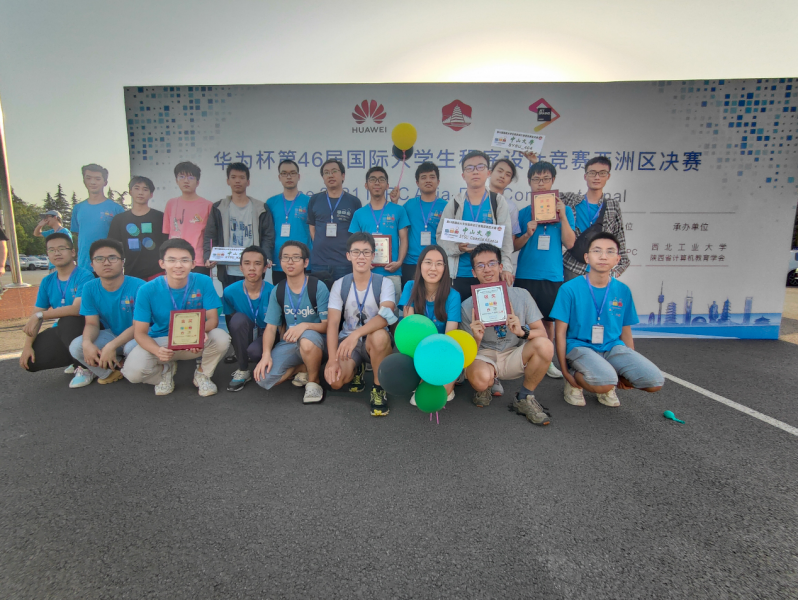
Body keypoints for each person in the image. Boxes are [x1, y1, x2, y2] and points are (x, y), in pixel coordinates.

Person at [550, 232, 664, 407]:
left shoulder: (623, 290)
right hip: (580, 346)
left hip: (612, 347)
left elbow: (625, 331)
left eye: (610, 251)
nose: (603, 256)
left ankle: (607, 379)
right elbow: (560, 333)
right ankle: (578, 380)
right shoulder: (569, 289)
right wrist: (565, 371)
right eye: (597, 251)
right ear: (587, 257)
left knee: (654, 381)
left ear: (617, 259)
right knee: (604, 382)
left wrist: (626, 367)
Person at [459, 243, 553, 426]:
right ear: (473, 272)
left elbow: (542, 332)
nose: (487, 269)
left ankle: (525, 397)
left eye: (492, 263)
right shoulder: (467, 305)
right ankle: (486, 385)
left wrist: (522, 332)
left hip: (512, 352)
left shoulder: (521, 295)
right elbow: (466, 354)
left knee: (545, 345)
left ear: (501, 267)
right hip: (484, 355)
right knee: (480, 380)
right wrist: (476, 338)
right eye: (480, 265)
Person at [122, 239, 231, 396]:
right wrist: (157, 350)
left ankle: (203, 374)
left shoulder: (204, 281)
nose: (178, 265)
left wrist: (197, 334)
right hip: (162, 340)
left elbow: (213, 319)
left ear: (193, 264)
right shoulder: (146, 290)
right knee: (132, 373)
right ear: (162, 263)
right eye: (172, 260)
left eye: (184, 260)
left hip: (193, 340)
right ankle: (163, 372)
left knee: (221, 338)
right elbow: (139, 332)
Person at [514, 161, 576, 380]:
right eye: (536, 179)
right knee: (521, 319)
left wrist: (563, 216)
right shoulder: (523, 213)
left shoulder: (565, 211)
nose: (541, 184)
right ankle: (519, 358)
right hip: (525, 274)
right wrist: (527, 233)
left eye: (545, 179)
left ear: (553, 181)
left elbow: (570, 243)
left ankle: (547, 360)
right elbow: (514, 246)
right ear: (529, 182)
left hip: (552, 275)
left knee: (548, 321)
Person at [324, 232, 396, 416]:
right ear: (348, 255)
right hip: (348, 343)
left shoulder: (385, 283)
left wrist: (356, 334)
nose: (361, 256)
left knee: (379, 336)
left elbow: (386, 316)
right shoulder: (340, 284)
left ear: (373, 256)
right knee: (335, 381)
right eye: (356, 252)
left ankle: (378, 388)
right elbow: (333, 324)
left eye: (366, 252)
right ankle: (357, 368)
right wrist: (332, 360)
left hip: (373, 340)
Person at [255, 241, 329, 403]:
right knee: (263, 378)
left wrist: (304, 326)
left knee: (307, 340)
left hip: (315, 342)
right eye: (285, 258)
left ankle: (313, 382)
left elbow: (328, 325)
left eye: (296, 257)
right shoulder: (278, 290)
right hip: (289, 342)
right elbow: (271, 327)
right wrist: (265, 355)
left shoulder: (318, 287)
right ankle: (303, 368)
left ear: (305, 262)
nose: (290, 262)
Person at [437, 151, 515, 301]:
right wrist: (458, 247)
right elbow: (441, 238)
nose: (475, 172)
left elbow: (506, 240)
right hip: (459, 274)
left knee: (490, 313)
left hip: (489, 274)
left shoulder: (497, 201)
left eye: (480, 167)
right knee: (460, 314)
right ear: (463, 175)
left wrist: (506, 268)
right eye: (469, 168)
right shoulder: (455, 203)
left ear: (488, 172)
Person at [67, 239, 145, 387]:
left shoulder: (140, 286)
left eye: (112, 258)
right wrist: (87, 343)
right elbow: (92, 323)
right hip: (112, 334)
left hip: (139, 336)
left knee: (131, 349)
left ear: (122, 262)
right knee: (77, 346)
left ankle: (128, 363)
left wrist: (111, 346)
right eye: (99, 259)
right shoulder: (89, 288)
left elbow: (139, 326)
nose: (106, 263)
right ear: (92, 264)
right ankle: (110, 372)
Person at [18, 233, 94, 379]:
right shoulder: (47, 281)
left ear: (73, 252)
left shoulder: (85, 276)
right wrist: (27, 346)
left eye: (61, 248)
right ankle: (75, 358)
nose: (56, 253)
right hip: (63, 330)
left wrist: (40, 315)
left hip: (87, 328)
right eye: (51, 250)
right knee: (31, 361)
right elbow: (36, 314)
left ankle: (86, 368)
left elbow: (77, 309)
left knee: (68, 320)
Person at [397, 245, 461, 405]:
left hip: (441, 351)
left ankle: (445, 378)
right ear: (420, 265)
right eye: (428, 262)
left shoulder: (453, 296)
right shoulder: (410, 287)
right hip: (416, 349)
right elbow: (410, 331)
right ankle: (421, 380)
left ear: (445, 268)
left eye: (439, 264)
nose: (433, 268)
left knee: (443, 394)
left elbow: (449, 338)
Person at [202, 162, 275, 289]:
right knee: (230, 299)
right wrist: (208, 256)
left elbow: (268, 236)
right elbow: (210, 235)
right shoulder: (219, 207)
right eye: (233, 177)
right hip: (228, 269)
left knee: (253, 299)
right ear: (228, 181)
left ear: (248, 182)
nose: (237, 181)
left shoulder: (260, 208)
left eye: (242, 177)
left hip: (253, 268)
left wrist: (266, 256)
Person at [559, 156, 630, 280]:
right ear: (585, 176)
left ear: (608, 176)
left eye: (602, 173)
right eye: (592, 173)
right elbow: (545, 192)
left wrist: (614, 272)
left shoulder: (612, 206)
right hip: (573, 267)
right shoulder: (571, 200)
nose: (597, 177)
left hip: (600, 269)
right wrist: (535, 163)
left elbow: (619, 238)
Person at [348, 166, 409, 301]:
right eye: (373, 179)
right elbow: (354, 243)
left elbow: (404, 239)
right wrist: (362, 262)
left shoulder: (398, 210)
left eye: (381, 179)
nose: (377, 183)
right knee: (366, 310)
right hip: (366, 273)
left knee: (391, 312)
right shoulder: (359, 214)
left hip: (392, 272)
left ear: (387, 185)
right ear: (366, 185)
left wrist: (399, 262)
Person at [221, 246, 274, 391]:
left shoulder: (273, 292)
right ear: (241, 267)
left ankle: (263, 357)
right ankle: (243, 369)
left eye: (257, 264)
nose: (252, 268)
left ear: (265, 268)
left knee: (255, 352)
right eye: (247, 263)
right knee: (237, 320)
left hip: (267, 333)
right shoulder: (229, 292)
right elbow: (231, 318)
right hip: (248, 329)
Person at [306, 159, 362, 290]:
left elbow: (357, 233)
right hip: (319, 262)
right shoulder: (315, 200)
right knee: (319, 298)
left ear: (343, 176)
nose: (330, 175)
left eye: (334, 171)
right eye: (326, 173)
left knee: (344, 298)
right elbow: (312, 227)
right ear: (323, 178)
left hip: (344, 262)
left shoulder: (353, 201)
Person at [397, 162, 447, 287]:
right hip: (411, 262)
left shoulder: (446, 206)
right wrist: (394, 202)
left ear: (438, 182)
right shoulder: (409, 205)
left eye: (432, 177)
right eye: (423, 177)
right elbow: (397, 225)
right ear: (417, 183)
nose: (428, 180)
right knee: (410, 296)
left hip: (436, 263)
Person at [107, 176, 168, 281]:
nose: (140, 193)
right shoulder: (119, 219)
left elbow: (167, 244)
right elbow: (113, 247)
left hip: (157, 272)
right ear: (130, 191)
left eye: (145, 189)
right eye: (137, 188)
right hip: (131, 272)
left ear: (151, 194)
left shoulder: (160, 217)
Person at [266, 159, 312, 286]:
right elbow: (267, 233)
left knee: (304, 295)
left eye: (292, 173)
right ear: (279, 177)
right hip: (280, 260)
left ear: (298, 176)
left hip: (302, 259)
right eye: (284, 173)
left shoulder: (309, 202)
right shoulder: (271, 203)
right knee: (281, 295)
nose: (289, 177)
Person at [70, 164, 125, 270]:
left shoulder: (116, 209)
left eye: (97, 179)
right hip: (84, 266)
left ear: (105, 182)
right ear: (84, 180)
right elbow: (78, 234)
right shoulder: (78, 208)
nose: (93, 182)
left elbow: (122, 239)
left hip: (109, 266)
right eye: (88, 178)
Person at [163, 162, 213, 276]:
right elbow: (166, 234)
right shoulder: (171, 204)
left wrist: (208, 257)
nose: (186, 181)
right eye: (182, 177)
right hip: (175, 261)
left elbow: (210, 236)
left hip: (198, 261)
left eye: (191, 177)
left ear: (198, 182)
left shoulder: (208, 205)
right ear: (176, 181)